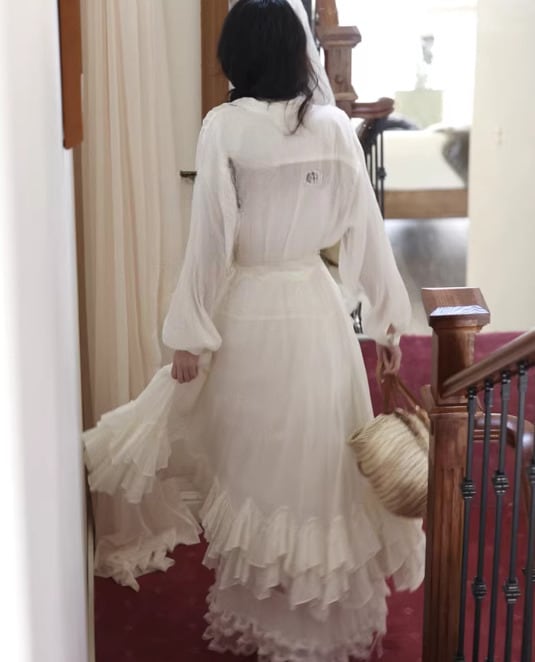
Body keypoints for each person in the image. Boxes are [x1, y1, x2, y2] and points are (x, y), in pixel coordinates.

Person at [84, 1, 425, 659]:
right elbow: (367, 229)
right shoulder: (333, 127)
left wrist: (189, 334)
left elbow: (209, 242)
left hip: (250, 317)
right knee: (323, 470)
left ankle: (271, 621)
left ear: (237, 56)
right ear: (298, 54)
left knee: (259, 475)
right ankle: (322, 627)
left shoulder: (224, 128)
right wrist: (389, 324)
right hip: (317, 313)